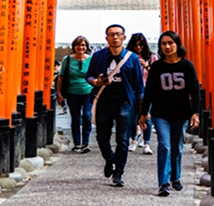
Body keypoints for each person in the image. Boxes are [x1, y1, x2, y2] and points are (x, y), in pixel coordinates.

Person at [138, 30, 201, 197]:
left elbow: (195, 91)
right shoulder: (157, 67)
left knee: (177, 147)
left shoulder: (187, 66)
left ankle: (176, 177)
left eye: (170, 43)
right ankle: (163, 183)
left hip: (181, 113)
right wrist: (144, 113)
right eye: (164, 43)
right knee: (164, 145)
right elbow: (149, 91)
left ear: (177, 44)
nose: (167, 46)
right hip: (161, 113)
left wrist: (196, 113)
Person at [86, 24, 144, 187]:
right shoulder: (98, 56)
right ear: (106, 38)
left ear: (124, 37)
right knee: (102, 137)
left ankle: (118, 172)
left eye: (118, 34)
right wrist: (95, 81)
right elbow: (89, 76)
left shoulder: (131, 58)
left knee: (123, 139)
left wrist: (143, 109)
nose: (115, 37)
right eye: (111, 34)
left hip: (125, 102)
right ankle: (110, 158)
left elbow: (139, 85)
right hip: (104, 100)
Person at [56, 36, 94, 153]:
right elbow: (61, 77)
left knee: (87, 116)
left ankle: (85, 143)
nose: (80, 47)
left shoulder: (91, 59)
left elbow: (95, 75)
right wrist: (59, 93)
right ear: (74, 47)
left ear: (86, 47)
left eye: (83, 45)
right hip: (72, 92)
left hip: (88, 91)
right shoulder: (67, 59)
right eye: (78, 45)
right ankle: (77, 143)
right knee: (75, 118)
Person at [126, 32, 158, 155]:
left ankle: (146, 142)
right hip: (132, 90)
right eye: (135, 45)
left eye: (140, 45)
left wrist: (146, 66)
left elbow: (156, 75)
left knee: (146, 116)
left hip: (147, 90)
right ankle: (133, 139)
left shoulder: (151, 57)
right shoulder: (128, 57)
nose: (138, 48)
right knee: (132, 117)